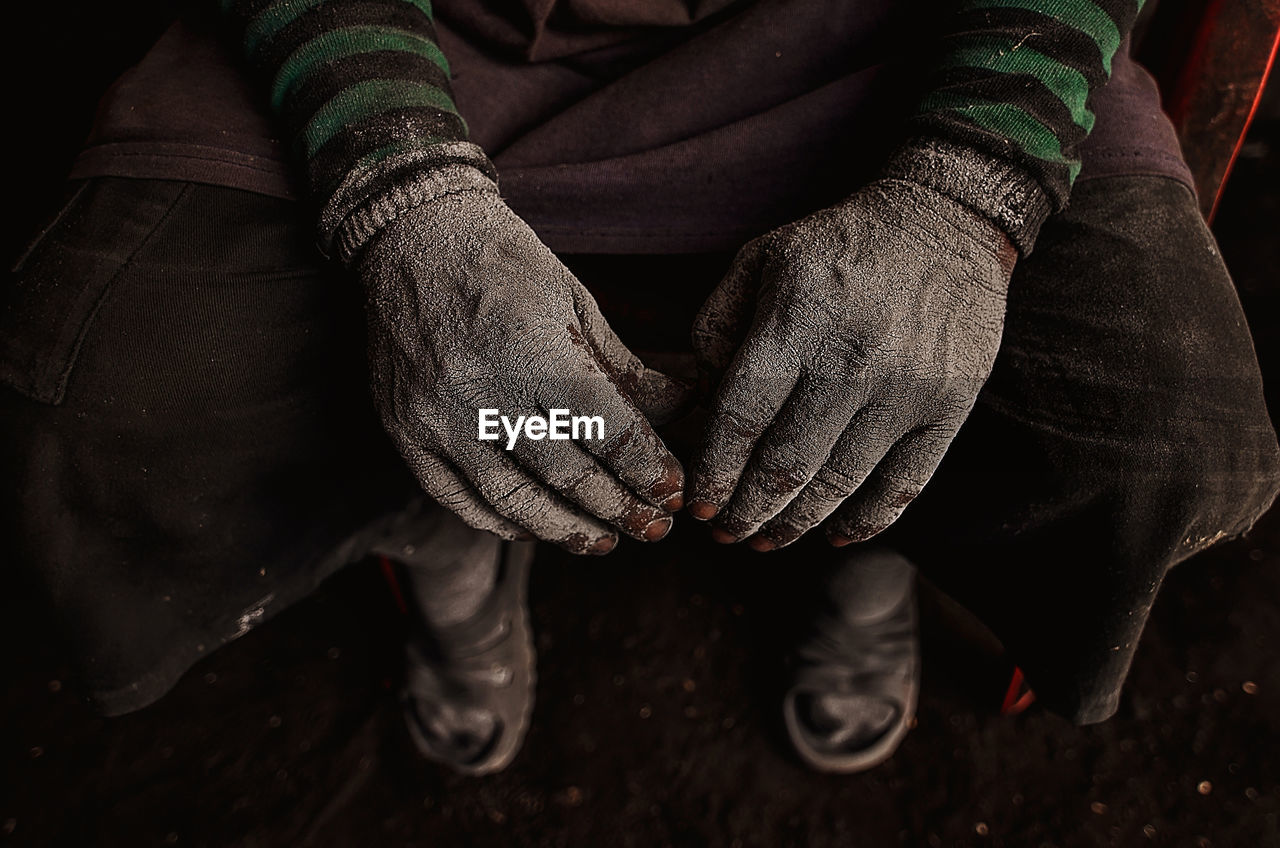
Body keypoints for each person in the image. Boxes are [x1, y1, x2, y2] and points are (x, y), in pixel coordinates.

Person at [4, 0, 1278, 777]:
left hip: (897, 38)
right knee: (108, 392)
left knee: (1156, 430)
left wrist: (965, 187)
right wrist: (398, 199)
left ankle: (868, 517)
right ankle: (447, 523)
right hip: (435, 34)